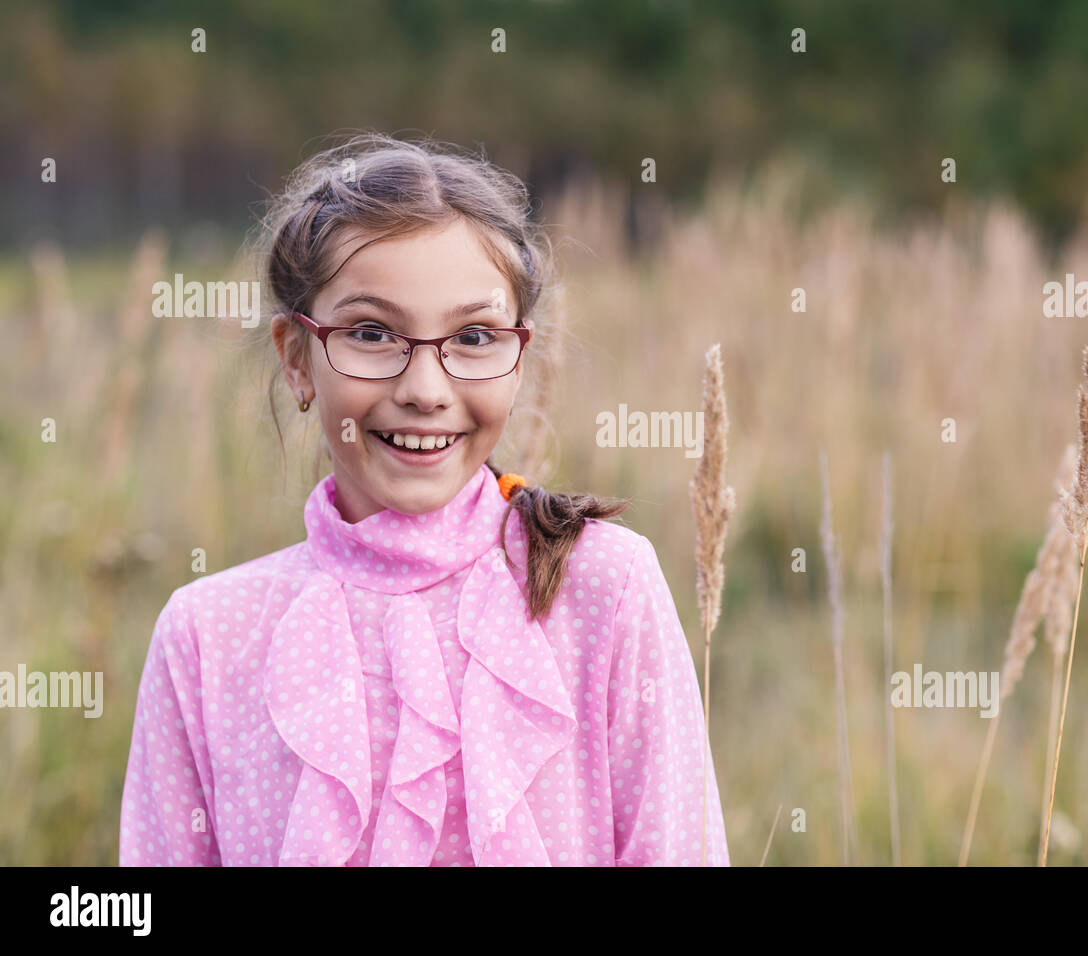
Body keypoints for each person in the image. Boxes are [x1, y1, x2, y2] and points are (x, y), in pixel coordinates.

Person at [119, 132, 730, 866]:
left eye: (472, 336)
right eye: (373, 333)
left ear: (519, 357)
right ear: (296, 360)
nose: (424, 390)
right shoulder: (207, 637)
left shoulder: (605, 588)